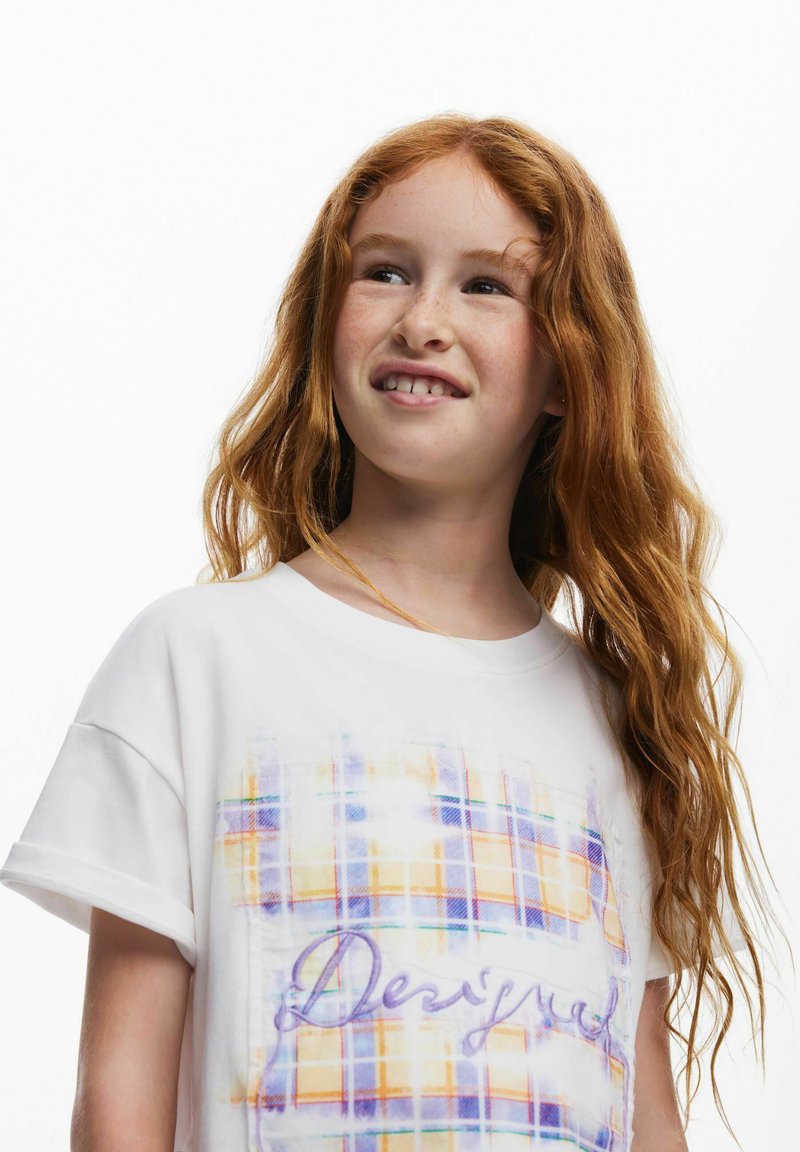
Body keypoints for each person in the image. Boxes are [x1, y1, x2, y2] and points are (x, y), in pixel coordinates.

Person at [0, 112, 783, 1152]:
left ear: (567, 369)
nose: (422, 321)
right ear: (325, 322)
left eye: (486, 285)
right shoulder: (197, 661)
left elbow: (646, 1112)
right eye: (385, 272)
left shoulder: (612, 719)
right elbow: (117, 1103)